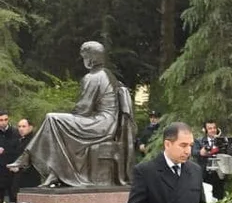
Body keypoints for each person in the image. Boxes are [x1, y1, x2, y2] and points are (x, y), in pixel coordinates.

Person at [7, 41, 136, 186]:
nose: (84, 61)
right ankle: (53, 172)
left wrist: (70, 117)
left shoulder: (93, 77)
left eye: (85, 57)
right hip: (106, 123)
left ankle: (29, 158)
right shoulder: (107, 74)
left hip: (101, 123)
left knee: (53, 119)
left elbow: (84, 109)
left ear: (91, 58)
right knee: (56, 123)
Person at [193, 121, 227, 199]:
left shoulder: (223, 141)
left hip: (219, 173)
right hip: (205, 174)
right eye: (210, 128)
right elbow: (194, 152)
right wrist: (201, 152)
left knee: (219, 197)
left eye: (214, 128)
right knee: (206, 197)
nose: (213, 130)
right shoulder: (199, 141)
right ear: (205, 130)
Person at [10, 118, 39, 192]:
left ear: (30, 127)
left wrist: (19, 166)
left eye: (23, 126)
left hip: (30, 177)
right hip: (18, 175)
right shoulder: (19, 140)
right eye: (19, 126)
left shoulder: (34, 141)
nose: (21, 129)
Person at [0, 112, 18, 203]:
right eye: (1, 120)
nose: (4, 122)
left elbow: (19, 149)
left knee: (13, 199)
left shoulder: (15, 132)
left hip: (12, 171)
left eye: (5, 120)